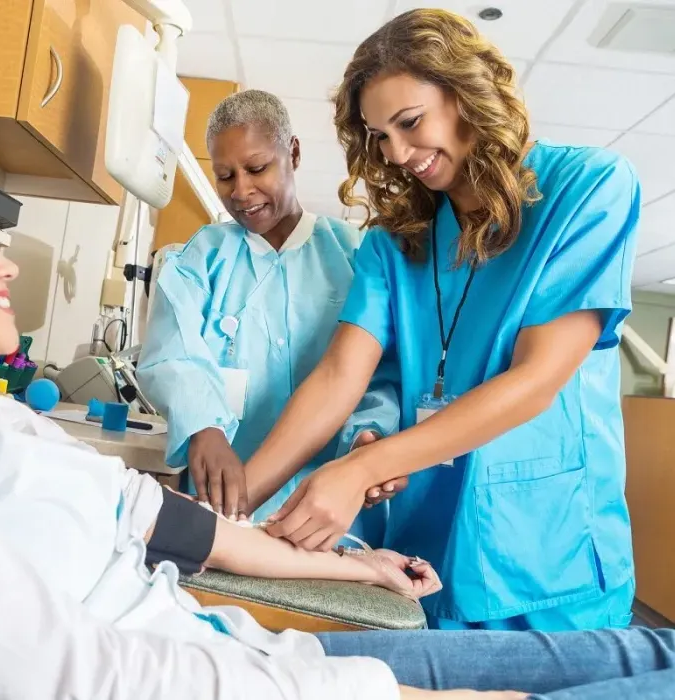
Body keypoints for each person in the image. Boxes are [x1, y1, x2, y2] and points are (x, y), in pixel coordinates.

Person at [0, 152, 673, 700]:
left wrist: (344, 554)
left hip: (256, 641)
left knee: (645, 650)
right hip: (248, 675)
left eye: (259, 168)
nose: (4, 257)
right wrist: (216, 438)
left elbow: (167, 519)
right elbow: (80, 680)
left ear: (290, 156)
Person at [242, 8, 639, 633]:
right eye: (379, 135)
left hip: (547, 547)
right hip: (428, 537)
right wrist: (229, 505)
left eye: (409, 123)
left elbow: (536, 380)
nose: (397, 153)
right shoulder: (396, 242)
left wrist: (366, 467)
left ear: (468, 96)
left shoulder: (589, 189)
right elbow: (340, 374)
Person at [137, 89, 399, 541]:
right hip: (220, 505)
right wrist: (203, 426)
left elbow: (382, 374)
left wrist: (368, 437)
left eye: (257, 168)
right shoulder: (201, 259)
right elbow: (172, 353)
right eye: (224, 176)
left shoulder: (355, 257)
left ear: (292, 152)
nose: (241, 191)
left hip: (327, 517)